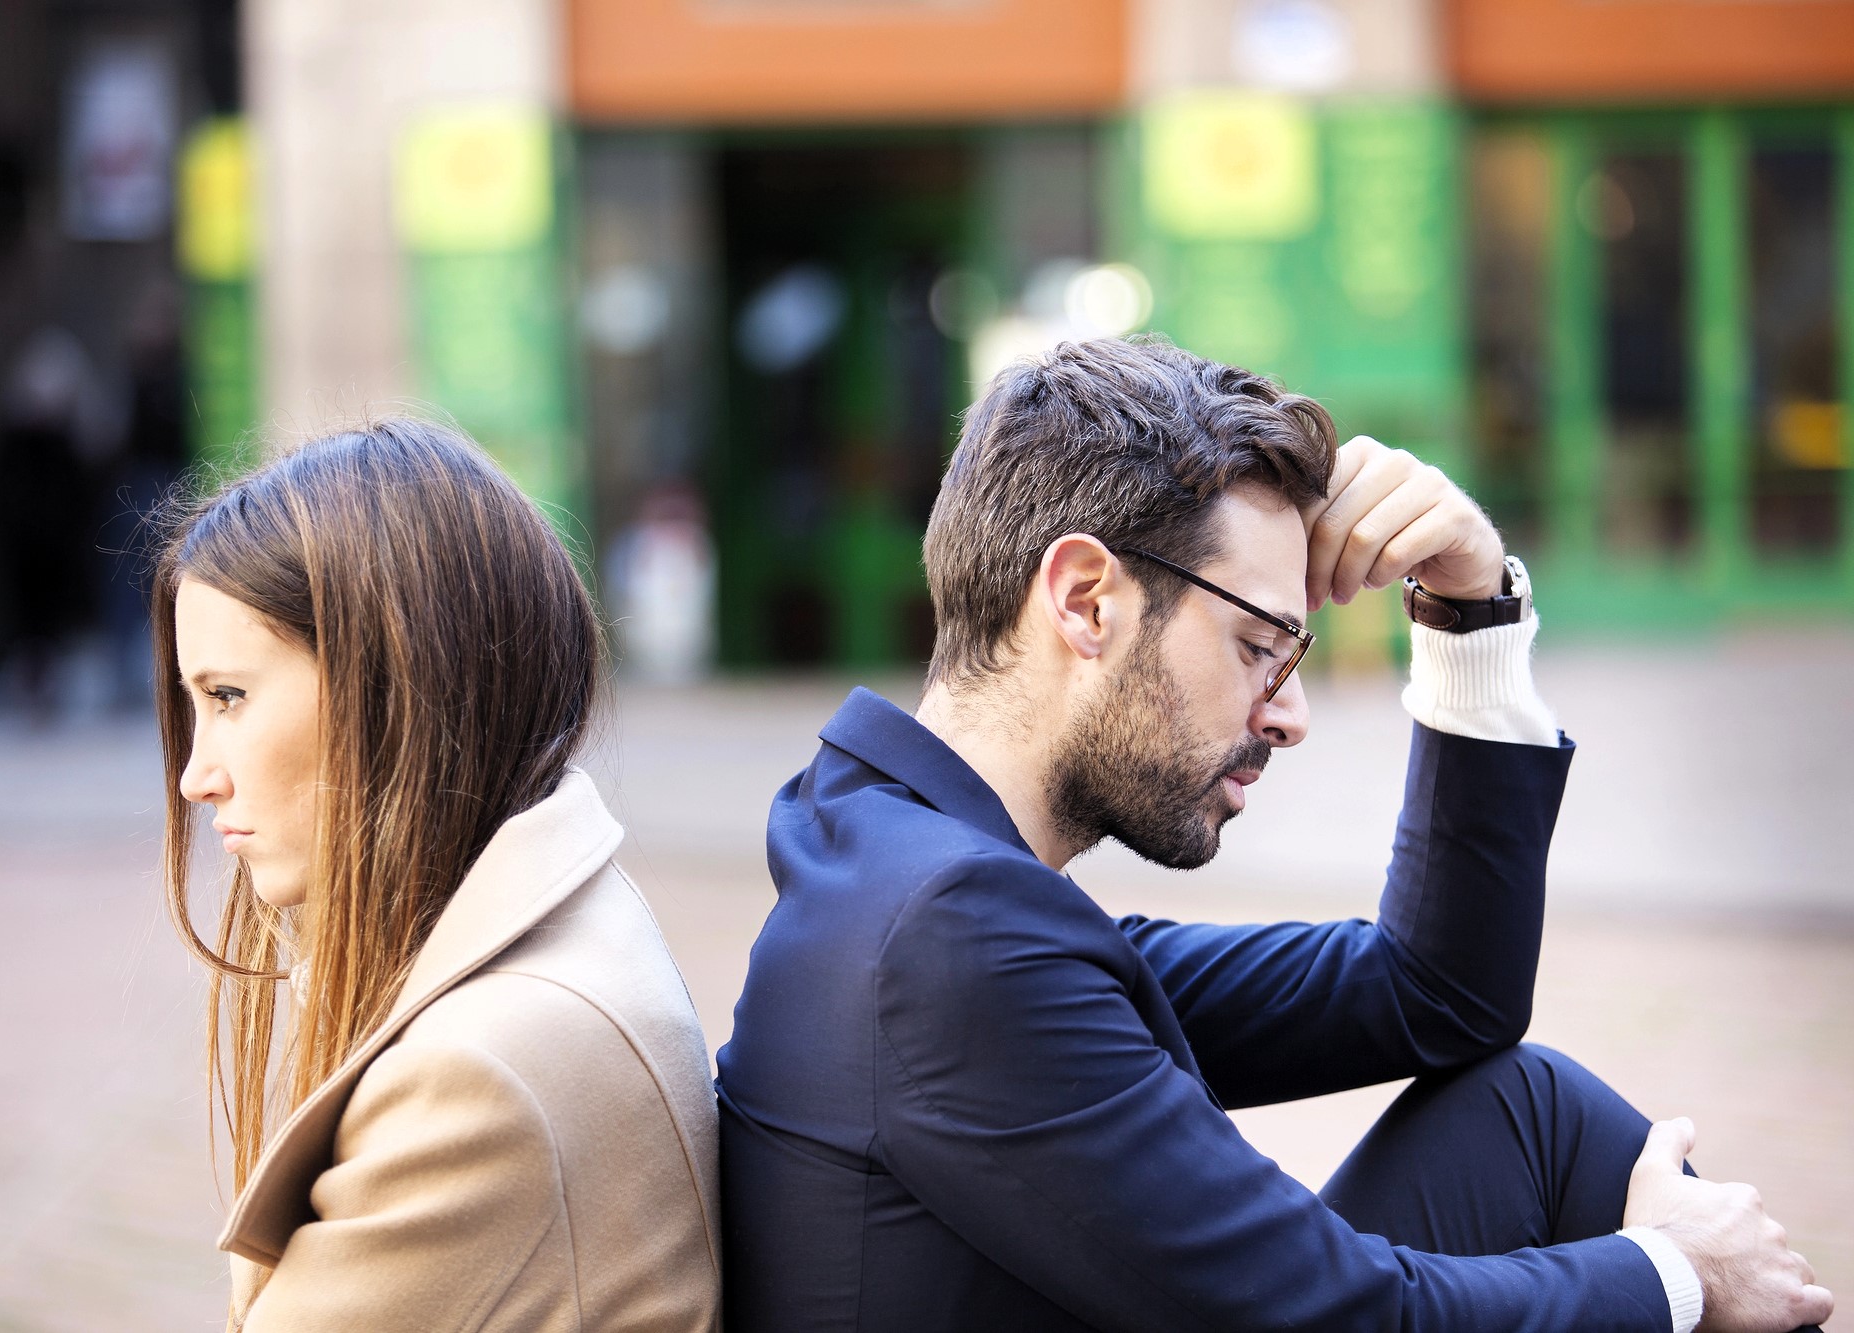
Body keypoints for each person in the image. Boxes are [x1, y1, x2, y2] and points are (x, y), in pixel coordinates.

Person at [715, 338, 1831, 1333]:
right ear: (1086, 601)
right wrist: (1675, 1273)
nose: (1288, 715)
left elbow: (1437, 994)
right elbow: (1336, 1311)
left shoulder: (910, 870)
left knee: (1524, 1110)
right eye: (1259, 645)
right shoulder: (947, 941)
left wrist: (1468, 611)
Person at [154, 419, 721, 1331]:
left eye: (230, 697)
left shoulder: (477, 1076)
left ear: (394, 682)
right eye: (196, 705)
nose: (195, 774)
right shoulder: (557, 919)